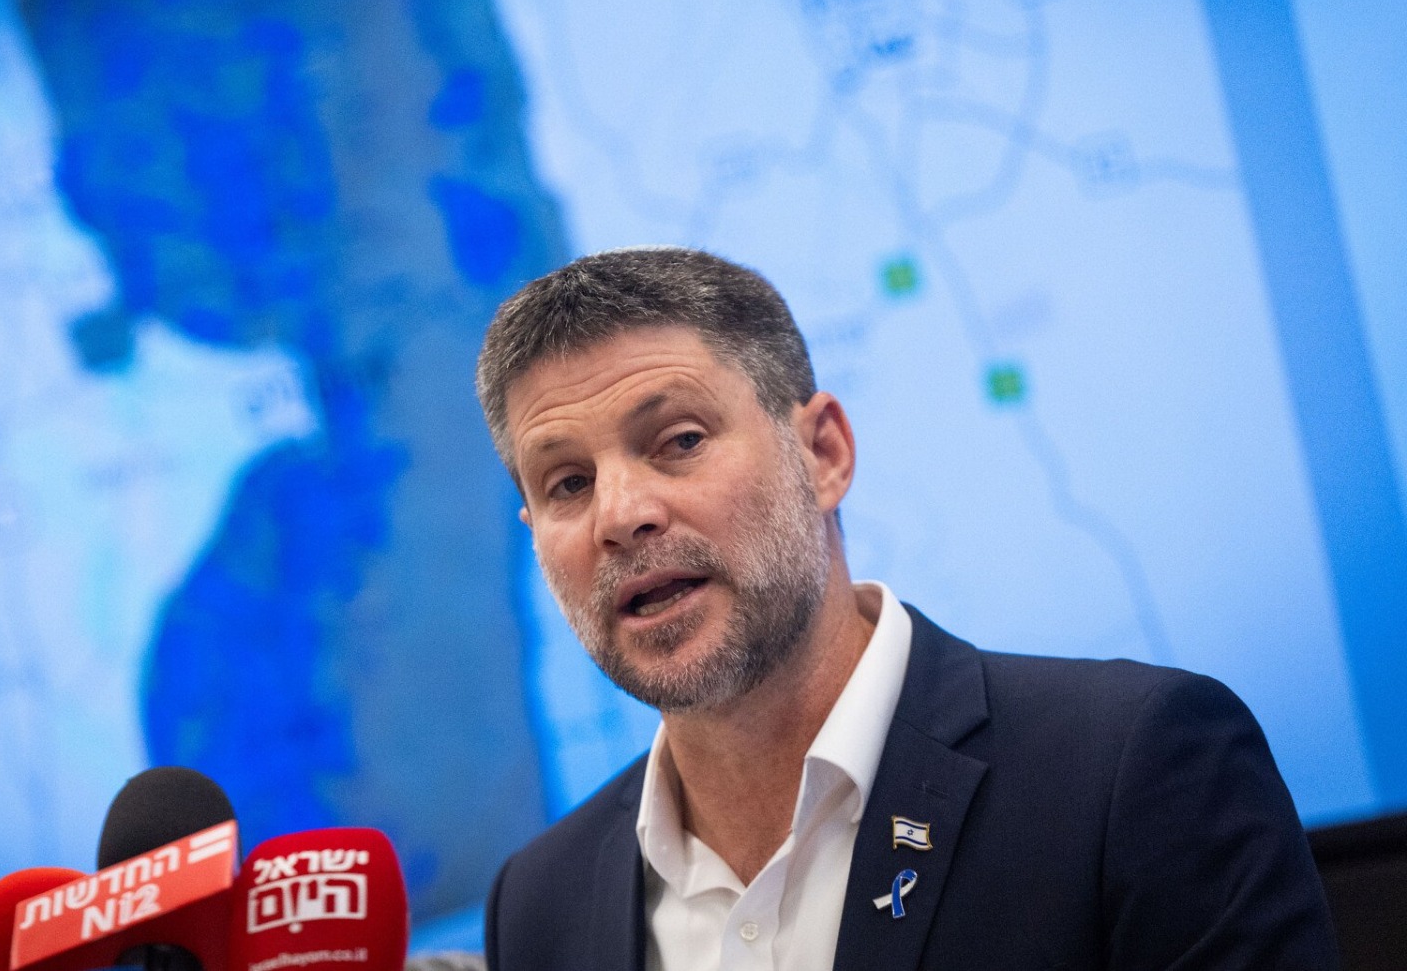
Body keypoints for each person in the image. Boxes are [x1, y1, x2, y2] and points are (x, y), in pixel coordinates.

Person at [476, 247, 1338, 970]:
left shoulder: (1132, 767)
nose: (621, 514)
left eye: (681, 441)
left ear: (824, 453)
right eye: (568, 483)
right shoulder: (539, 904)